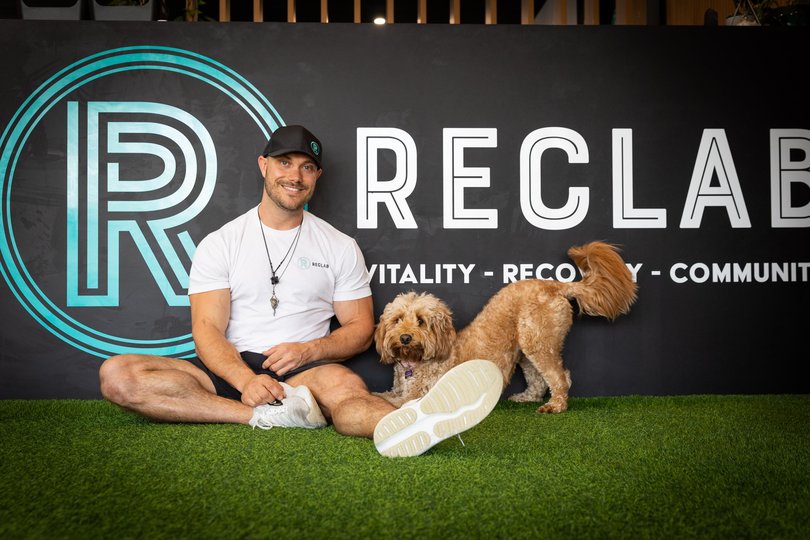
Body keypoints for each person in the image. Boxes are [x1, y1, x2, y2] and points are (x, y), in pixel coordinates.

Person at [99, 124, 501, 457]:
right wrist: (244, 382)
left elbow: (361, 328)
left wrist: (308, 350)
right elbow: (206, 330)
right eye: (284, 163)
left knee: (348, 396)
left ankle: (419, 423)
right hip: (230, 367)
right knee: (119, 375)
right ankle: (265, 415)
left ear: (317, 177)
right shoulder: (221, 242)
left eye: (307, 167)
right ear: (263, 165)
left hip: (308, 371)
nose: (294, 176)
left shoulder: (339, 246)